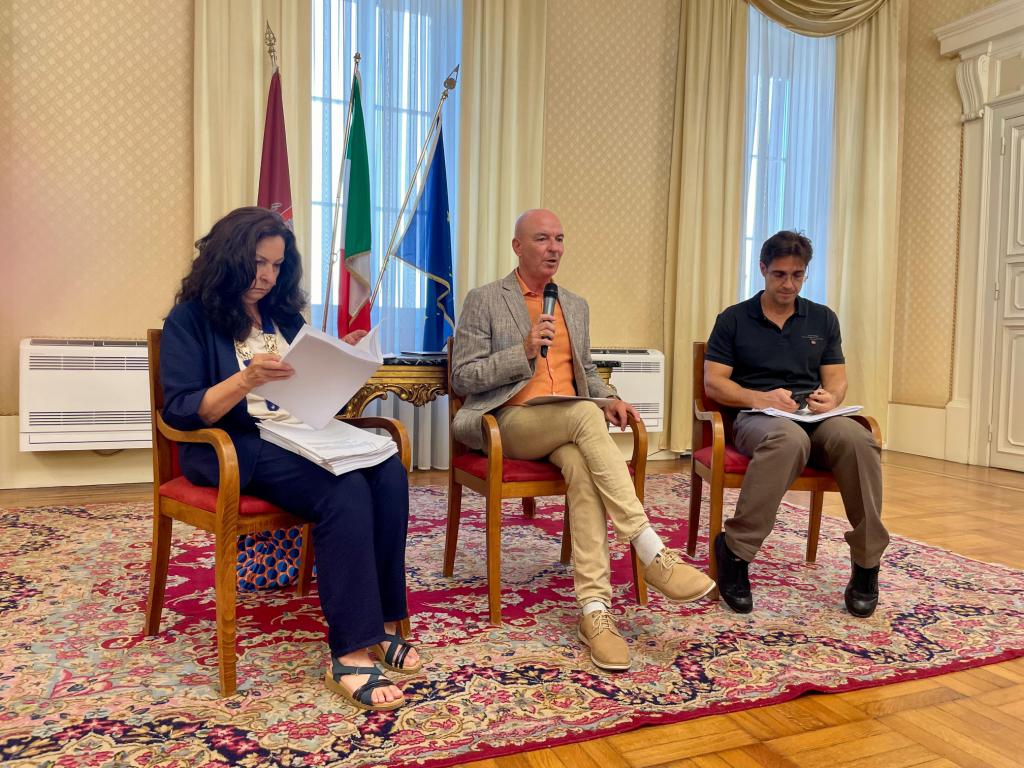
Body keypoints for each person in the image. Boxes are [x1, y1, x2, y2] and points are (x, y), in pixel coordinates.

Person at [160, 207, 418, 711]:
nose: (267, 276)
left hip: (298, 434)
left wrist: (341, 360)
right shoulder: (190, 319)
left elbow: (308, 389)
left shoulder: (284, 317)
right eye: (258, 262)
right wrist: (246, 379)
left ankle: (387, 623)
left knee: (388, 473)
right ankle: (350, 652)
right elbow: (184, 410)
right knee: (343, 488)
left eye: (277, 266)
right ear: (229, 257)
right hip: (232, 444)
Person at [451, 208, 715, 672]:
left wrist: (608, 397)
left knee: (580, 462)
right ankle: (651, 549)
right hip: (508, 421)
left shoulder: (574, 304)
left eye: (559, 238)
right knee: (582, 415)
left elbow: (587, 373)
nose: (554, 248)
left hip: (566, 423)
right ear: (517, 246)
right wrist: (523, 351)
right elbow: (463, 377)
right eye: (542, 239)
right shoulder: (485, 299)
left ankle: (594, 611)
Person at [703, 230, 888, 618]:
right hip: (758, 417)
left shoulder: (823, 318)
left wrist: (831, 398)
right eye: (779, 275)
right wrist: (760, 398)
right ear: (762, 270)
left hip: (813, 416)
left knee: (859, 438)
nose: (788, 284)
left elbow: (836, 378)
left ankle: (867, 562)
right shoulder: (734, 319)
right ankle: (735, 552)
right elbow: (714, 383)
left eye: (797, 275)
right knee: (788, 440)